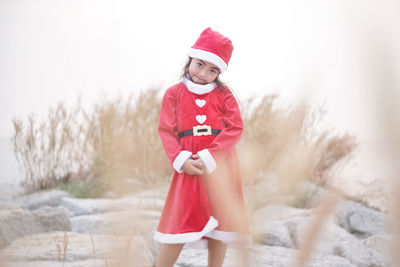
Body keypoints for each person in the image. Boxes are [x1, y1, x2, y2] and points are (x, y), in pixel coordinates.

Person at [154, 27, 249, 267]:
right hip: (188, 165)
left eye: (212, 70)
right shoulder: (173, 94)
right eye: (200, 64)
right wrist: (181, 159)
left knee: (222, 222)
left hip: (221, 165)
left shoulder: (224, 95)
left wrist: (211, 156)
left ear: (219, 72)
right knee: (180, 220)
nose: (204, 73)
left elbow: (235, 128)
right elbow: (166, 131)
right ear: (190, 60)